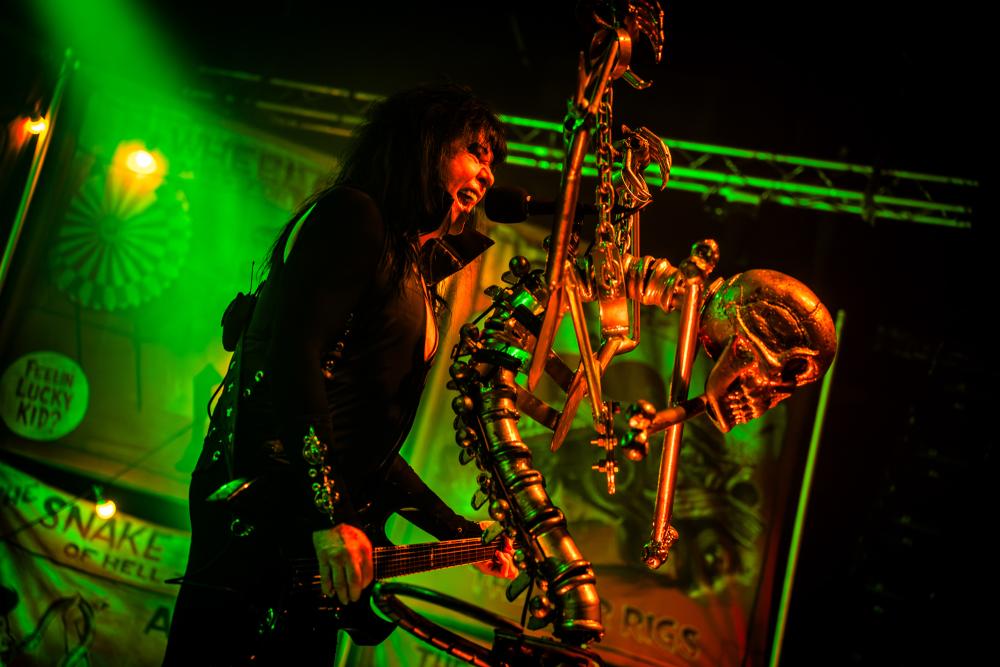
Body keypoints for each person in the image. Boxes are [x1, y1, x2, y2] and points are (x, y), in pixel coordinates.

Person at [164, 83, 516, 666]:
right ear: (426, 144)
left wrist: (457, 530)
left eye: (492, 162)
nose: (487, 175)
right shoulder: (355, 215)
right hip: (269, 522)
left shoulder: (415, 272)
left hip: (310, 536)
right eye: (475, 151)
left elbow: (364, 442)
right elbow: (291, 358)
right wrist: (329, 516)